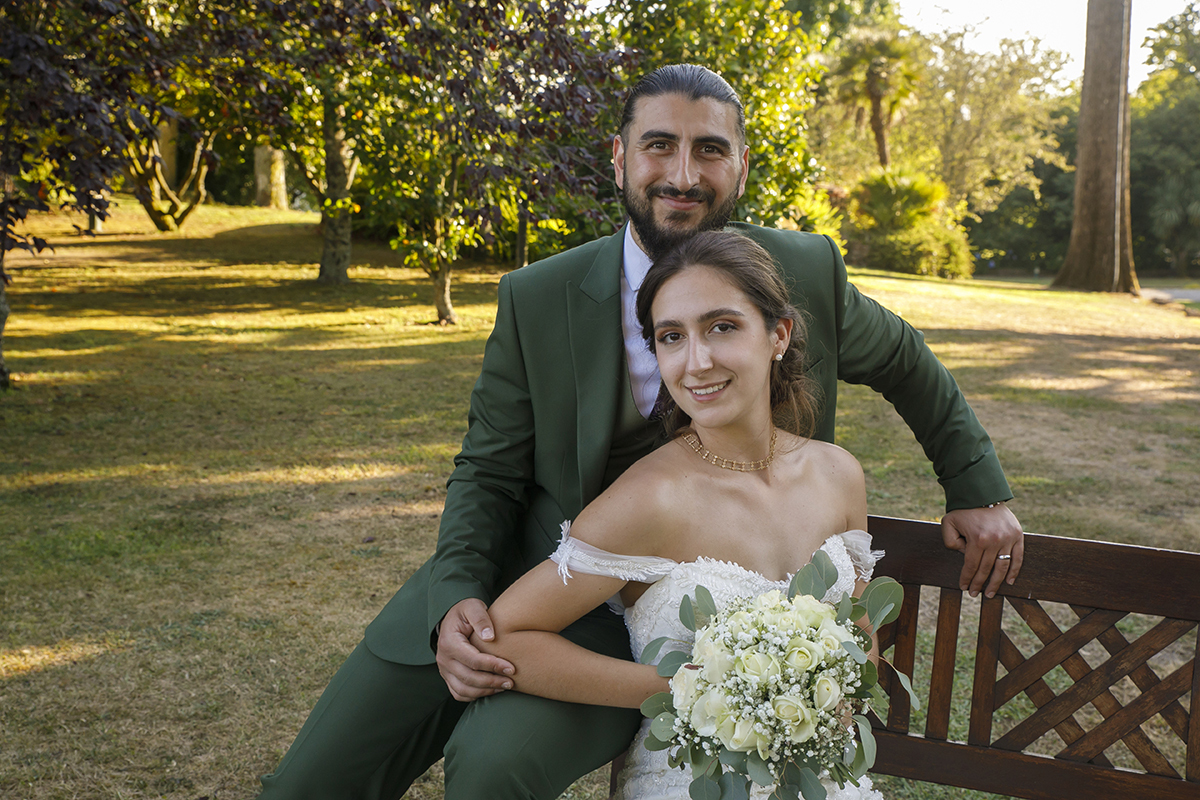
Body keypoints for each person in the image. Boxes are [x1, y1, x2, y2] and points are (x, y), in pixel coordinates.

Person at [257, 63, 1021, 800]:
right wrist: (458, 596)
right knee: (310, 784)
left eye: (710, 149)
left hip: (663, 624)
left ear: (742, 167)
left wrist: (976, 487)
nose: (683, 174)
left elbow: (908, 362)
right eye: (660, 145)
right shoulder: (538, 295)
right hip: (529, 578)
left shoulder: (800, 270)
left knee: (495, 765)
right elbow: (487, 471)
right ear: (621, 158)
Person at [474, 229, 885, 800]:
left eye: (722, 327)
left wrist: (835, 689)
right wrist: (687, 688)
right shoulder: (651, 499)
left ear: (778, 335)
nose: (697, 362)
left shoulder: (838, 474)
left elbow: (857, 624)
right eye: (672, 337)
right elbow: (504, 637)